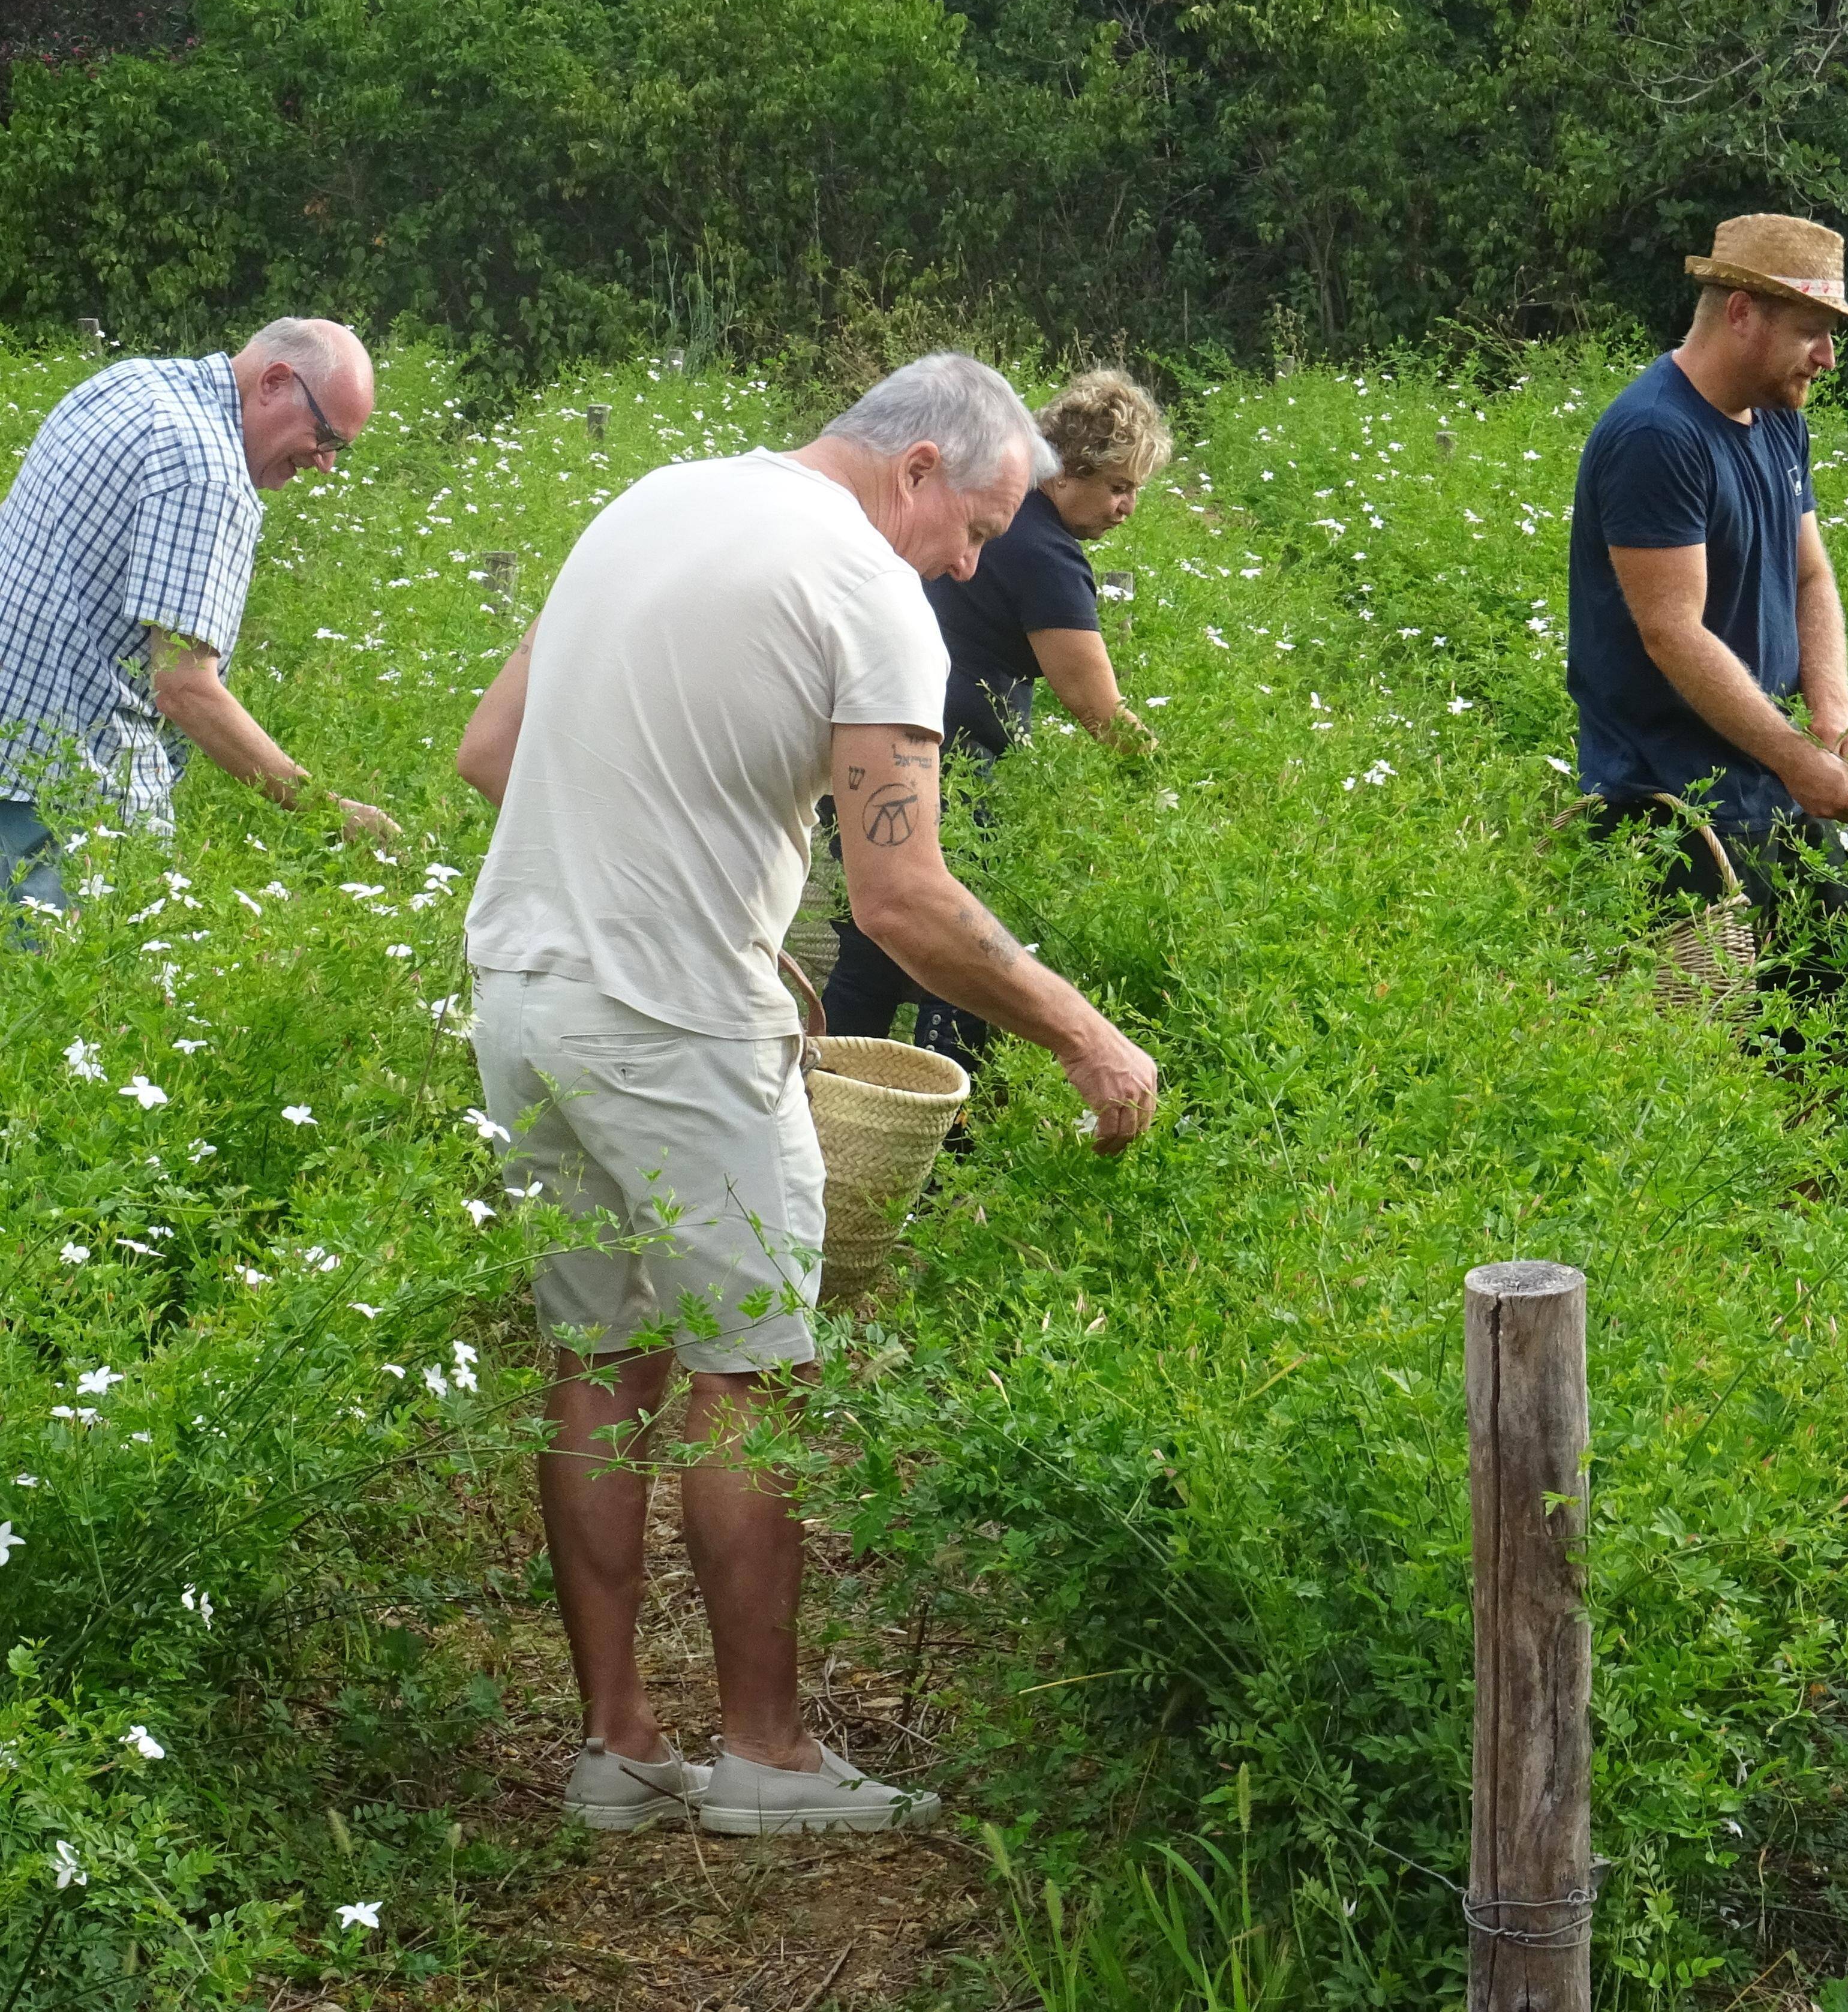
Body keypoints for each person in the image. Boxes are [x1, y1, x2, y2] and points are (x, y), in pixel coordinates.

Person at [453, 352, 1161, 1837]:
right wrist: (1088, 1037)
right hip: (677, 1025)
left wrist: (679, 865)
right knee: (746, 1373)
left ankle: (616, 1748)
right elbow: (902, 900)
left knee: (597, 1349)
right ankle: (765, 1760)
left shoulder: (653, 498)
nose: (975, 562)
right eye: (973, 527)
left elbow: (491, 754)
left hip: (525, 984)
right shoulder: (868, 587)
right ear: (915, 469)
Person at [821, 368, 1169, 1079]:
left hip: (869, 739)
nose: (1129, 506)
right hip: (946, 766)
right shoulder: (1045, 555)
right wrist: (1164, 779)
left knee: (869, 949)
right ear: (1069, 473)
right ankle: (944, 1128)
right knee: (961, 946)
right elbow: (1095, 705)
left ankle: (835, 1096)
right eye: (1118, 487)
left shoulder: (998, 522)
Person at [0, 318, 399, 917]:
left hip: (18, 755)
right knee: (86, 1000)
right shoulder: (207, 475)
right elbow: (186, 690)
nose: (325, 465)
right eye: (326, 437)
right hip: (66, 801)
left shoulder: (128, 383)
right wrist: (324, 810)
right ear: (274, 382)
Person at [1567, 212, 1848, 945]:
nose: (1827, 359)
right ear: (1742, 314)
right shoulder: (1656, 435)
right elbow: (1671, 632)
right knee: (1708, 1030)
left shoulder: (1776, 418)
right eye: (1811, 333)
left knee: (1836, 1015)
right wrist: (1796, 758)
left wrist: (1829, 711)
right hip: (1674, 803)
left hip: (1769, 773)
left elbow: (1810, 576)